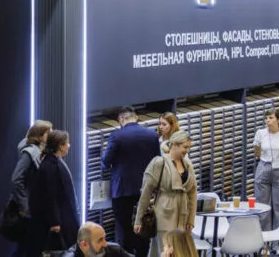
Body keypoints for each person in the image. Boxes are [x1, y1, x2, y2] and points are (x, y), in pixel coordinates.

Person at [102, 107, 160, 257]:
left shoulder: (116, 136)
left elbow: (105, 162)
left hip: (122, 190)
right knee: (144, 229)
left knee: (124, 231)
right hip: (146, 190)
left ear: (121, 119)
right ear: (136, 118)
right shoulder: (152, 135)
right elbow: (158, 162)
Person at [134, 131, 197, 257]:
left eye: (189, 147)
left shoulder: (187, 164)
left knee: (179, 252)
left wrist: (191, 219)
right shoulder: (159, 162)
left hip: (183, 216)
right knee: (164, 250)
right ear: (175, 145)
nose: (187, 150)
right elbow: (146, 192)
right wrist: (138, 219)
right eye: (185, 147)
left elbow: (193, 192)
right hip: (164, 214)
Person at [28, 130, 78, 255]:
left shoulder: (53, 162)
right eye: (67, 143)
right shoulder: (50, 166)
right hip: (60, 220)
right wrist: (54, 221)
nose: (69, 146)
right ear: (60, 146)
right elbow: (50, 196)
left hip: (63, 217)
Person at [10, 120, 52, 257]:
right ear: (39, 136)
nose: (51, 136)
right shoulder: (29, 153)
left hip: (34, 208)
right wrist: (25, 205)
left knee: (26, 246)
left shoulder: (37, 151)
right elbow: (16, 178)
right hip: (30, 209)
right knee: (27, 247)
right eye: (48, 134)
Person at [61, 222, 132, 257]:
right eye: (100, 240)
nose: (105, 244)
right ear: (84, 244)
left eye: (104, 238)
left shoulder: (114, 250)